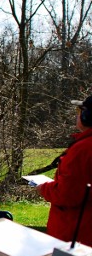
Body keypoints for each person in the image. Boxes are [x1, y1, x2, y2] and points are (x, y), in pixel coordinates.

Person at [36, 95, 92, 246]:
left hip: (78, 238)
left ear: (87, 116)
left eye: (80, 110)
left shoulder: (83, 150)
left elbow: (67, 194)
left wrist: (44, 188)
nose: (77, 114)